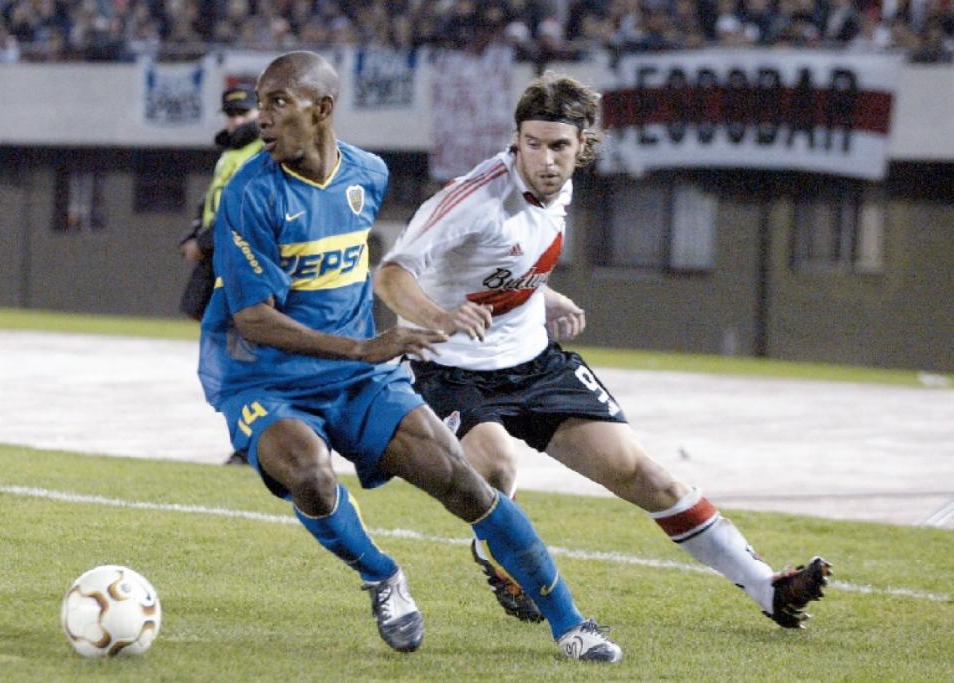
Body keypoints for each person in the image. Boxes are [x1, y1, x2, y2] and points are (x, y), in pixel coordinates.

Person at [197, 51, 622, 662]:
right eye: (260, 104)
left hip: (360, 374)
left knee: (463, 483)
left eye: (276, 103)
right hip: (266, 376)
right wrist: (368, 345)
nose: (262, 118)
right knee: (311, 476)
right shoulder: (250, 193)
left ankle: (572, 625)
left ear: (322, 109)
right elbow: (255, 319)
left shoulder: (366, 174)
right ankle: (381, 575)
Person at [374, 73, 832, 630]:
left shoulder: (557, 189)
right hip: (449, 369)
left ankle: (768, 589)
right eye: (532, 143)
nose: (543, 159)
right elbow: (393, 276)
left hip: (534, 364)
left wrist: (544, 297)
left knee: (644, 474)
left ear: (582, 147)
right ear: (516, 140)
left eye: (558, 146)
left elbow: (502, 268)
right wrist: (439, 319)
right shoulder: (470, 201)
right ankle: (497, 551)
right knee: (495, 466)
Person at [179, 84, 262, 466]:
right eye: (231, 114)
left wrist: (205, 241)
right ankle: (249, 437)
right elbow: (212, 199)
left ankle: (252, 441)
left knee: (244, 352)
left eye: (242, 113)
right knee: (233, 351)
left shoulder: (257, 150)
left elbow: (241, 206)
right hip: (220, 256)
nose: (236, 121)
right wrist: (195, 234)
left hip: (238, 257)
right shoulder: (230, 152)